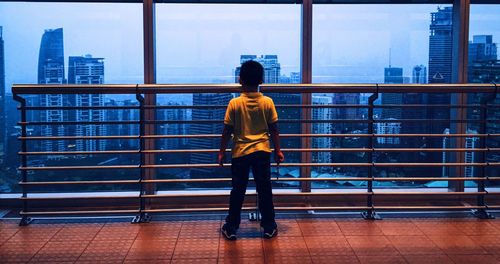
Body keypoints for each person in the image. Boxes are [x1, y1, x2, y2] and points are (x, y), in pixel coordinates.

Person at [218, 60, 284, 240]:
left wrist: (222, 151)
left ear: (240, 80)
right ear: (261, 80)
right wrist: (278, 150)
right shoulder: (268, 102)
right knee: (265, 190)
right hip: (262, 151)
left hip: (240, 153)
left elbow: (227, 130)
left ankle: (231, 227)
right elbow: (274, 129)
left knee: (238, 190)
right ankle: (269, 226)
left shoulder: (234, 103)